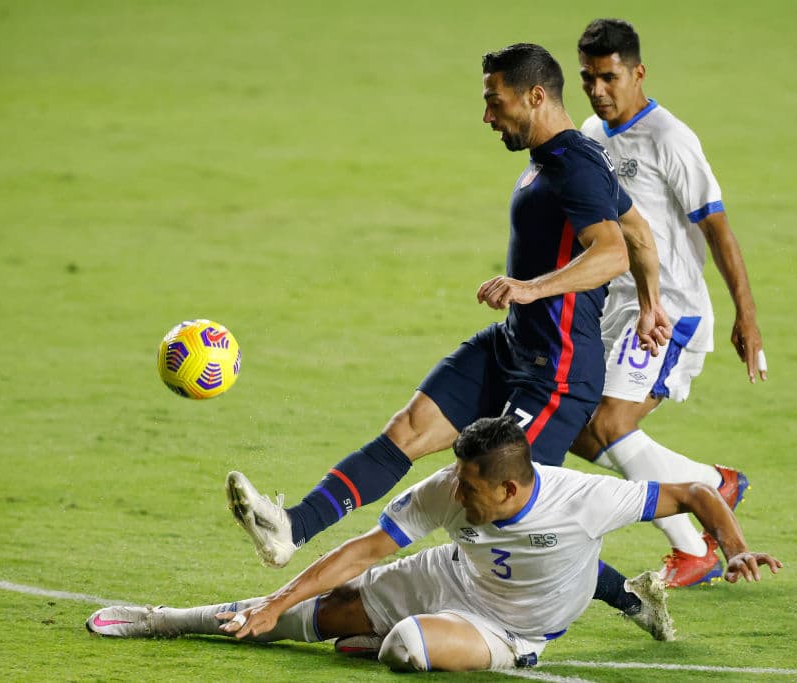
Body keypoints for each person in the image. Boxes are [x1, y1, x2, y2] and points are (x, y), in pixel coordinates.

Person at [224, 43, 670, 614]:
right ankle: (291, 527)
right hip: (513, 343)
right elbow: (637, 231)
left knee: (500, 505)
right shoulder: (559, 155)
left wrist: (530, 287)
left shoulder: (575, 163)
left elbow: (610, 251)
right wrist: (652, 302)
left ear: (536, 95)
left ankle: (627, 596)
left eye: (495, 100)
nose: (487, 116)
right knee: (408, 429)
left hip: (556, 372)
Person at [88, 417, 782, 672]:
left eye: (471, 484)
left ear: (510, 490)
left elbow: (695, 492)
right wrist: (280, 598)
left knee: (406, 649)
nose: (456, 488)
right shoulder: (447, 489)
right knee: (311, 617)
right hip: (449, 577)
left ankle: (625, 596)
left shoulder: (584, 498)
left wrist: (734, 547)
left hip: (516, 625)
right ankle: (162, 619)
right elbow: (365, 547)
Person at [570, 18, 769, 588]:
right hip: (617, 307)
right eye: (588, 78)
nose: (598, 90)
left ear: (637, 72)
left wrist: (746, 316)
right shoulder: (591, 131)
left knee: (608, 423)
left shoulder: (669, 138)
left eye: (609, 77)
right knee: (581, 430)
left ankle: (708, 514)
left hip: (669, 312)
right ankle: (704, 506)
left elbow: (718, 227)